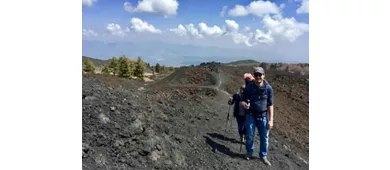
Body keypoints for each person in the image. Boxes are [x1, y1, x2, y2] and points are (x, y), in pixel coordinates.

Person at [241, 67, 274, 166]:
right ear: (254, 76)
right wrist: (244, 105)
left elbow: (270, 105)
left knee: (264, 137)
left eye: (260, 75)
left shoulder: (268, 89)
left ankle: (263, 156)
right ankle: (249, 152)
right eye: (256, 75)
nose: (258, 77)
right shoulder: (249, 87)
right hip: (251, 115)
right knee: (250, 135)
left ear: (264, 75)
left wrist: (271, 120)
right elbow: (243, 100)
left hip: (263, 116)